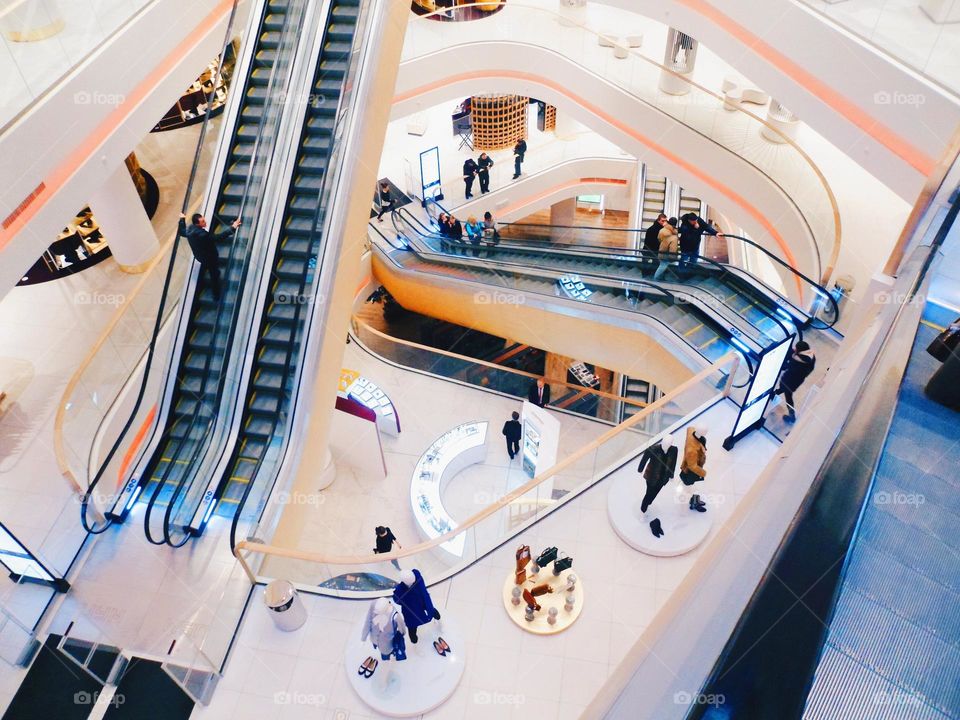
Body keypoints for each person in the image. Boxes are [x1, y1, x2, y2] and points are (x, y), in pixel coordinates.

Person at [179, 212, 241, 300]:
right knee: (214, 274)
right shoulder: (202, 234)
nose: (205, 222)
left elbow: (181, 232)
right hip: (209, 258)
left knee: (210, 267)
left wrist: (182, 219)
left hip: (199, 256)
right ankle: (216, 295)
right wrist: (233, 227)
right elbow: (219, 238)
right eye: (203, 221)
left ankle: (213, 272)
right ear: (197, 224)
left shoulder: (189, 229)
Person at [773, 341, 816, 422]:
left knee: (788, 397)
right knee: (785, 390)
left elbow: (787, 367)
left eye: (796, 348)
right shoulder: (811, 356)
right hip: (798, 380)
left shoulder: (797, 360)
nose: (795, 349)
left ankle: (792, 416)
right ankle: (775, 393)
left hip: (790, 380)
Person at [653, 217, 679, 281]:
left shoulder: (662, 230)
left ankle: (660, 278)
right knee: (663, 265)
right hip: (667, 253)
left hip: (662, 250)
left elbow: (659, 239)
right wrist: (672, 257)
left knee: (662, 265)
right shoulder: (674, 235)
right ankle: (655, 279)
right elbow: (673, 248)